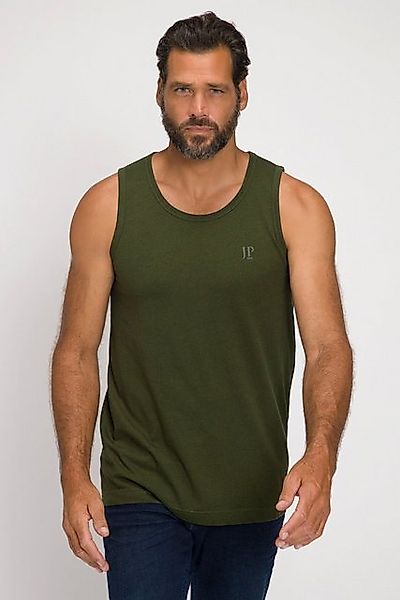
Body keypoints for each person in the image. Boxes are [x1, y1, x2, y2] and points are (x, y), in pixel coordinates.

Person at [50, 11, 353, 600]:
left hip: (252, 490)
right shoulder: (108, 206)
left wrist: (321, 460)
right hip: (139, 486)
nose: (197, 108)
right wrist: (73, 476)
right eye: (182, 89)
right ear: (159, 92)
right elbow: (76, 350)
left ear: (242, 93)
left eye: (214, 90)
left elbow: (327, 348)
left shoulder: (294, 207)